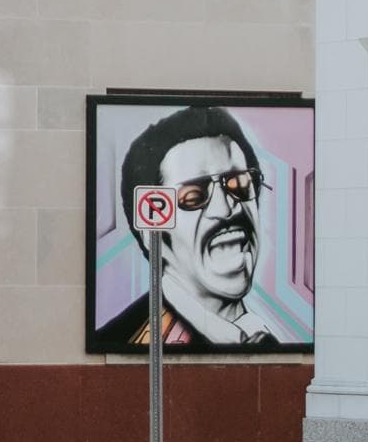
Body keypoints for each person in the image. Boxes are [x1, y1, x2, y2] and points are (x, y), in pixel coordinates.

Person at [100, 105, 279, 347]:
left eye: (239, 184)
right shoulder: (125, 338)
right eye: (193, 196)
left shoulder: (262, 337)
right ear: (152, 233)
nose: (226, 209)